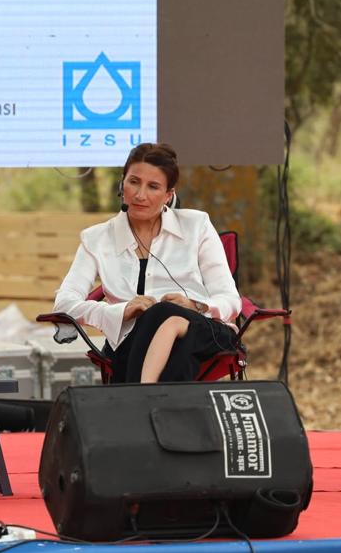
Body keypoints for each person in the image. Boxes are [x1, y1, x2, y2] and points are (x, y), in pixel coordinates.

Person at [53, 143, 241, 383]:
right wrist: (121, 311)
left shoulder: (197, 225)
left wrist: (196, 306)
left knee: (163, 313)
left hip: (202, 332)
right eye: (134, 182)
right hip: (134, 344)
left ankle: (137, 398)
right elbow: (64, 304)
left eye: (153, 186)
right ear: (122, 184)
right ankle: (159, 398)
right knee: (171, 337)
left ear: (168, 195)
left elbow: (230, 300)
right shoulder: (97, 239)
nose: (140, 195)